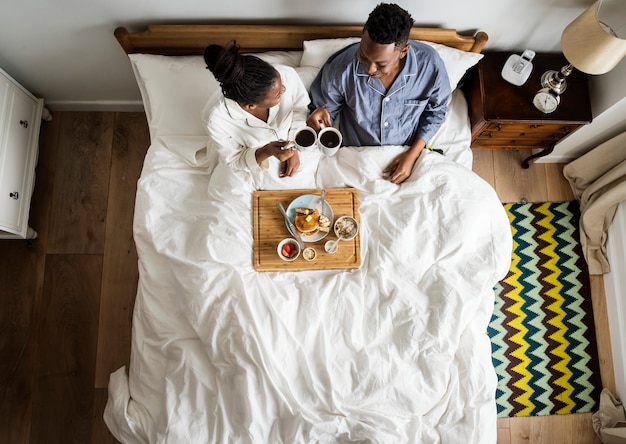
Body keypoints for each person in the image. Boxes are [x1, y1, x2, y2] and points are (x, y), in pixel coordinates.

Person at [307, 3, 452, 184]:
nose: (369, 69)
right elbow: (324, 113)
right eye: (363, 56)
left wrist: (412, 155)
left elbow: (436, 112)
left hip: (409, 154)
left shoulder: (430, 66)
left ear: (403, 51)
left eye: (381, 64)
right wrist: (319, 117)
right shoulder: (341, 68)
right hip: (356, 159)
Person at [203, 41, 310, 177]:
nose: (284, 89)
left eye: (281, 84)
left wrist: (293, 145)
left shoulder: (286, 74)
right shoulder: (216, 119)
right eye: (278, 95)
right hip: (255, 164)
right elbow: (235, 159)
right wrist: (266, 151)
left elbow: (300, 108)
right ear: (250, 106)